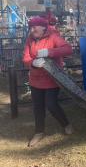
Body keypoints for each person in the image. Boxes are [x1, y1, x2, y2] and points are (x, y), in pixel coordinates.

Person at [22, 16, 73, 147]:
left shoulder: (53, 36)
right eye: (30, 28)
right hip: (35, 79)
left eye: (34, 27)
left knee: (51, 104)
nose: (32, 30)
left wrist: (49, 52)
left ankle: (66, 124)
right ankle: (39, 132)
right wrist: (33, 63)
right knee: (38, 107)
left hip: (52, 78)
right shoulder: (30, 40)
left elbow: (68, 49)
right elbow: (26, 58)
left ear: (43, 27)